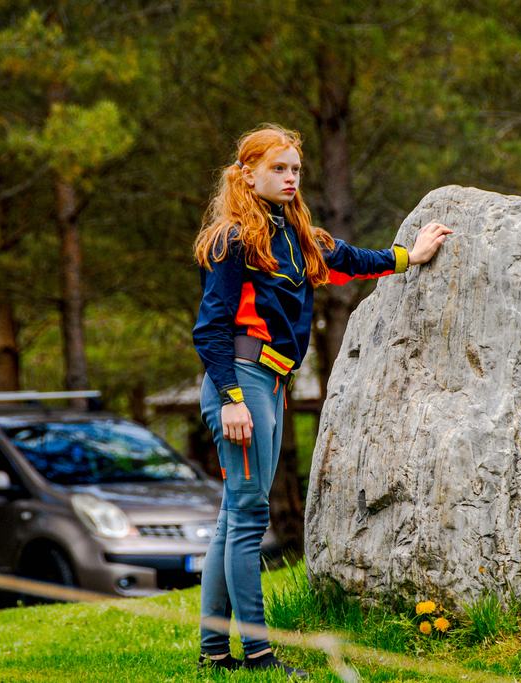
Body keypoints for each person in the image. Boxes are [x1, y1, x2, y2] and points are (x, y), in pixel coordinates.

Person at [191, 124, 451, 676]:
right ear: (248, 173)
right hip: (240, 377)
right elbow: (210, 329)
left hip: (270, 380)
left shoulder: (294, 232)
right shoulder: (234, 237)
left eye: (295, 170)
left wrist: (411, 255)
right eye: (278, 169)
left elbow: (354, 259)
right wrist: (233, 399)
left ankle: (215, 654)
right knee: (248, 516)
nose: (289, 179)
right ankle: (259, 655)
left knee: (233, 515)